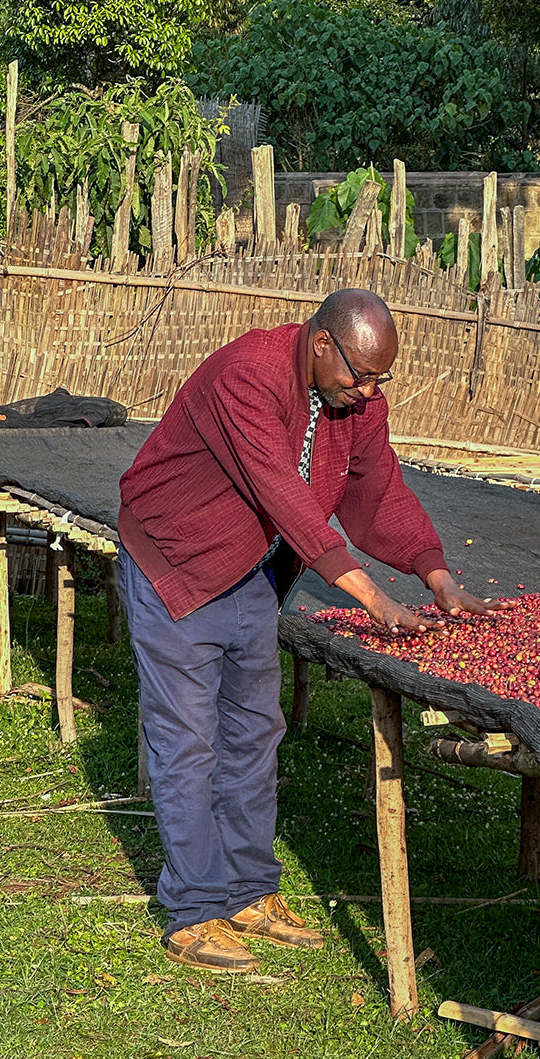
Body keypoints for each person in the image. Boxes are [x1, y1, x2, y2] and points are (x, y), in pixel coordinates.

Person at [118, 288, 501, 974]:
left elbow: (377, 489)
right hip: (178, 557)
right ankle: (194, 909)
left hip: (251, 570)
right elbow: (285, 497)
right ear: (321, 342)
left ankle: (248, 891)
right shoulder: (249, 373)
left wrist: (434, 571)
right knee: (189, 738)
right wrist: (374, 598)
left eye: (382, 377)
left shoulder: (355, 401)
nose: (370, 389)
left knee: (253, 731)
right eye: (360, 373)